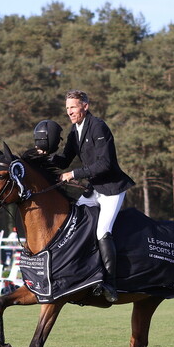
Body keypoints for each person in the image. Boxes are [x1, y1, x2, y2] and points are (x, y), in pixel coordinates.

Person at [49, 90, 135, 302]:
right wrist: (44, 155)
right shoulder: (75, 130)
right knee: (73, 221)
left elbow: (105, 164)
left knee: (102, 232)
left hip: (112, 189)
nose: (70, 112)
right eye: (67, 108)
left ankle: (110, 284)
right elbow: (64, 160)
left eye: (73, 107)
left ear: (85, 106)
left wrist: (73, 174)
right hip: (94, 189)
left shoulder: (98, 126)